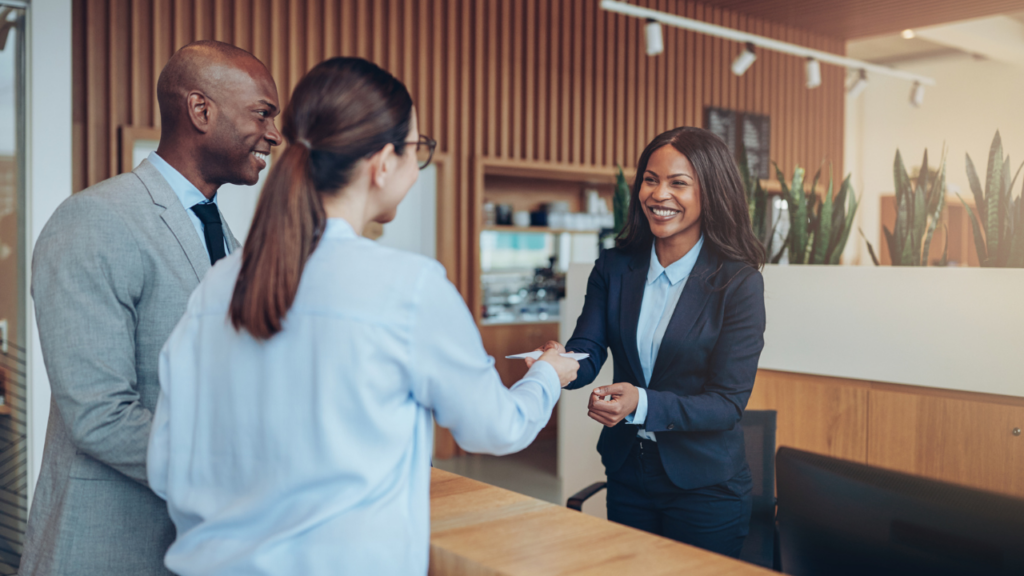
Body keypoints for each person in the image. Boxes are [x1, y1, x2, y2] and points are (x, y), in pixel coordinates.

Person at [146, 57, 578, 576]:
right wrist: (548, 377)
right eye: (416, 150)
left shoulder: (218, 284)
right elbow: (496, 428)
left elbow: (167, 463)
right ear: (382, 162)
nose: (417, 167)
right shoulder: (409, 287)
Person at [22, 41, 282, 576]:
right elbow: (99, 415)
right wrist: (236, 477)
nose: (275, 134)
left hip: (196, 548)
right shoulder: (94, 220)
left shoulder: (224, 236)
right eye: (264, 113)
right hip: (107, 547)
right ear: (201, 109)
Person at [535, 127, 766, 557]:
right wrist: (557, 364)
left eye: (679, 182)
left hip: (706, 488)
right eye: (650, 179)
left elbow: (727, 402)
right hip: (629, 474)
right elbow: (587, 348)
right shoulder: (615, 267)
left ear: (710, 192)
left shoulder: (738, 283)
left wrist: (640, 404)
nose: (659, 194)